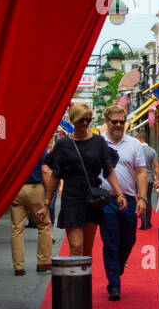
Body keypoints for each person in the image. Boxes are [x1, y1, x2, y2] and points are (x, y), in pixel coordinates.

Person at [43, 103, 128, 263]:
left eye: (88, 120)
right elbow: (55, 174)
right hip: (71, 197)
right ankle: (76, 286)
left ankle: (84, 286)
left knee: (87, 249)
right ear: (73, 120)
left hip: (92, 197)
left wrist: (119, 194)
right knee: (76, 246)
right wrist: (46, 202)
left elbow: (108, 170)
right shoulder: (63, 145)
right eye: (81, 120)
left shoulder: (98, 142)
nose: (85, 123)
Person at [97, 107, 148, 300]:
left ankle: (116, 269)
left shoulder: (134, 144)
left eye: (121, 121)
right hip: (106, 200)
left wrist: (142, 198)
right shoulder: (99, 143)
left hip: (128, 198)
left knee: (129, 239)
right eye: (114, 121)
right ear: (107, 121)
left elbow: (141, 171)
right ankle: (114, 284)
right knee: (111, 242)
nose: (118, 125)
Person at [9, 149, 53, 276]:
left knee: (16, 229)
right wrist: (49, 194)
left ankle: (19, 267)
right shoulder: (38, 146)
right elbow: (45, 171)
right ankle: (43, 263)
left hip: (16, 189)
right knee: (44, 225)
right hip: (35, 189)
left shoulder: (14, 148)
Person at [135, 126, 159, 230]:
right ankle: (147, 222)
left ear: (139, 137)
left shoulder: (136, 150)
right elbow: (157, 166)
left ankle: (143, 222)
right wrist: (158, 179)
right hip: (149, 178)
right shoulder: (152, 151)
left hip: (138, 179)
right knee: (148, 199)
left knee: (140, 198)